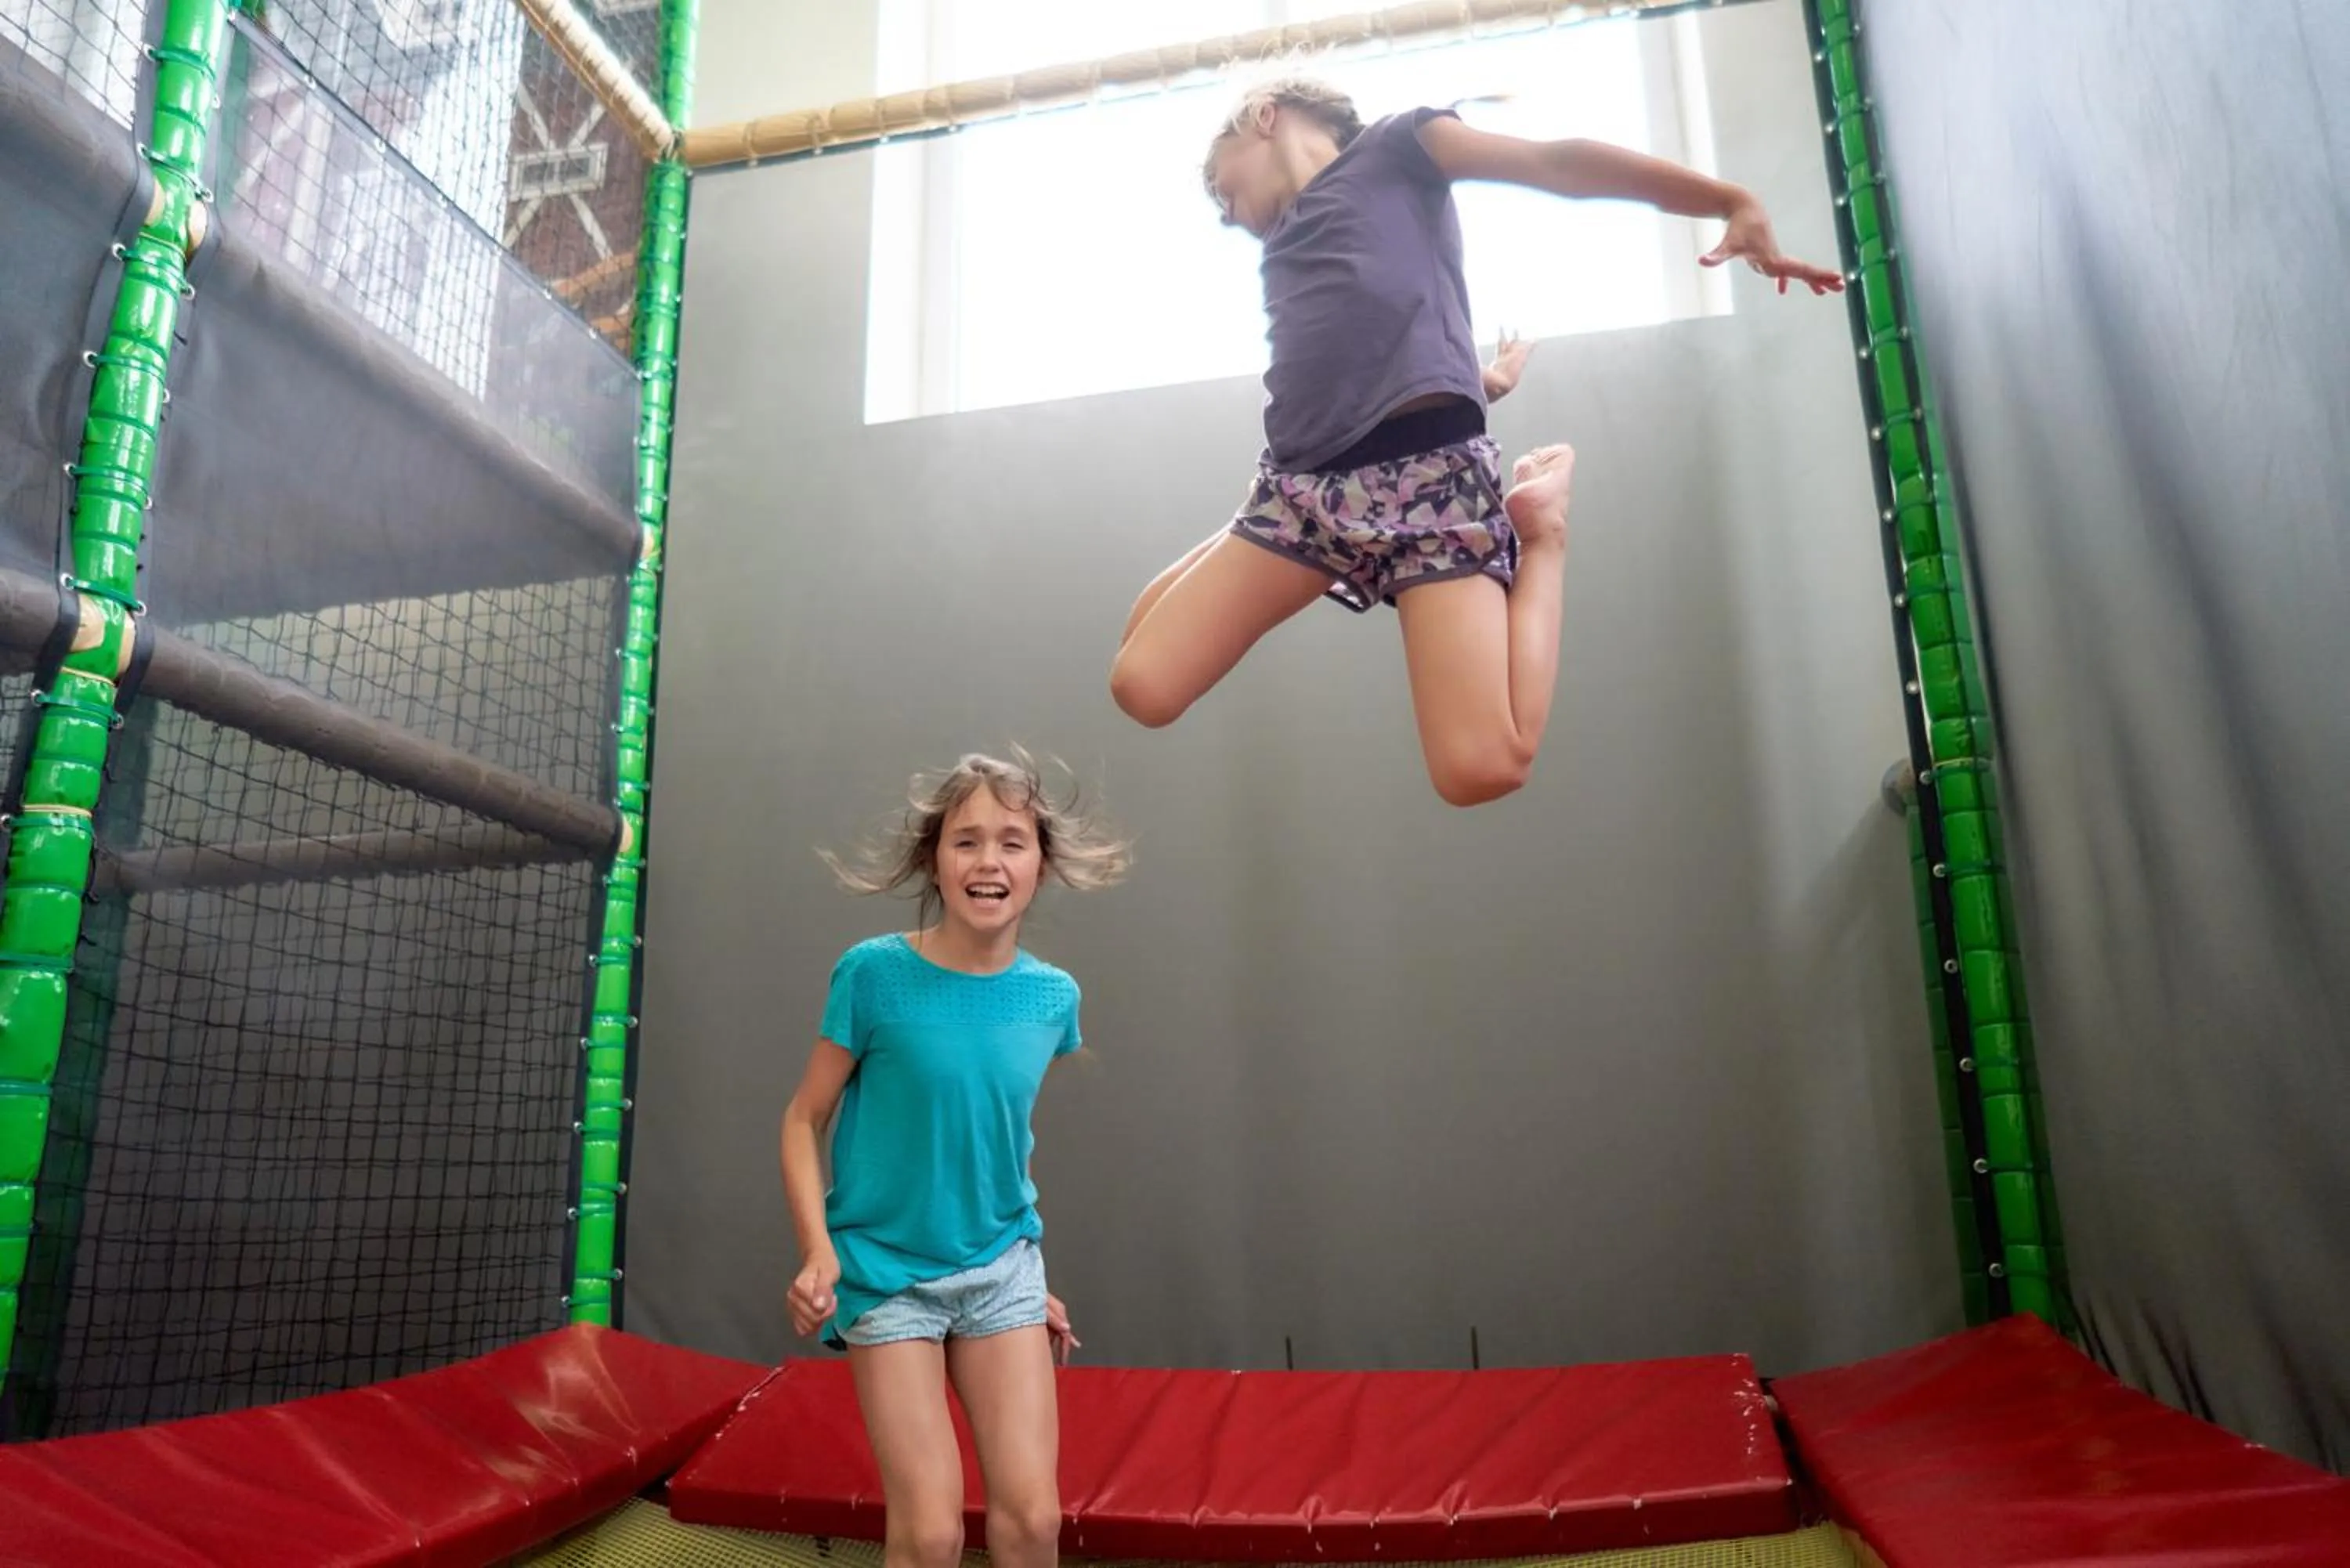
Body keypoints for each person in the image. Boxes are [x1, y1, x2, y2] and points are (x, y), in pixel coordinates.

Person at [1108, 79, 1843, 807]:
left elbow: (1557, 163)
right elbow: (1380, 347)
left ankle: (1542, 533)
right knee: (1141, 682)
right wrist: (1479, 379)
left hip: (1429, 484)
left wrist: (1726, 200)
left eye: (1221, 189)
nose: (1227, 216)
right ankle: (1261, 508)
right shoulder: (1289, 240)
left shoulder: (1398, 147)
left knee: (1483, 768)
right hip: (1303, 492)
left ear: (1264, 116)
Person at [779, 750, 1130, 1568]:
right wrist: (819, 1252)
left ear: (1041, 864)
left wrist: (1027, 1281)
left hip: (1001, 1272)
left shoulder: (1053, 999)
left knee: (1033, 1520)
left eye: (1012, 842)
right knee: (932, 1532)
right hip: (886, 1271)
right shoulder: (873, 975)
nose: (988, 861)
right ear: (934, 860)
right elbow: (803, 1118)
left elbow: (990, 1141)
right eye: (966, 841)